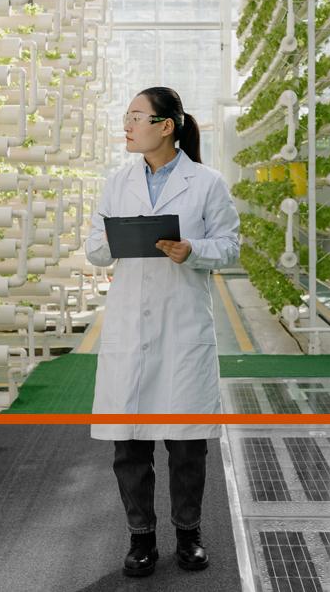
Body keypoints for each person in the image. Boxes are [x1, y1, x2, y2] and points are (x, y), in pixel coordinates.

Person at [84, 86, 241, 577]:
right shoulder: (116, 182)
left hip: (181, 327)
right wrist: (112, 243)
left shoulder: (207, 182)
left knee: (186, 442)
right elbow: (93, 246)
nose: (127, 126)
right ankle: (141, 539)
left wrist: (191, 250)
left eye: (136, 117)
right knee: (129, 444)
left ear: (165, 126)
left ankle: (189, 535)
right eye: (126, 116)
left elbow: (230, 246)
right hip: (130, 326)